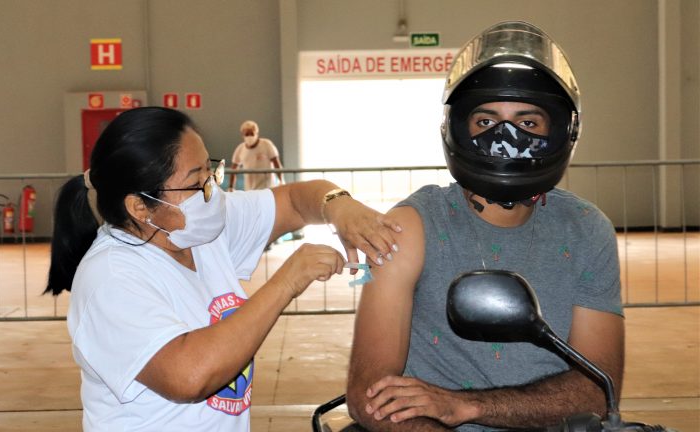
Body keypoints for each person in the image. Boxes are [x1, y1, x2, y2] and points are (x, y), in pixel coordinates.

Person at [44, 107, 401, 431]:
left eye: (210, 172)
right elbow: (188, 376)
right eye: (195, 182)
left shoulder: (200, 230)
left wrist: (338, 207)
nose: (210, 191)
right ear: (140, 206)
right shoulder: (112, 277)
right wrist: (286, 281)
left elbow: (294, 200)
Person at [346, 21, 624, 432]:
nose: (505, 136)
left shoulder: (585, 229)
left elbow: (598, 389)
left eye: (527, 123)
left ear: (562, 130)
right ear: (457, 128)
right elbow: (369, 396)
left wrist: (468, 406)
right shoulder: (411, 227)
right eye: (485, 121)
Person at [228, 120, 284, 192]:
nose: (249, 136)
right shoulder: (240, 149)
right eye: (247, 134)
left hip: (267, 188)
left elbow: (276, 163)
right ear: (243, 135)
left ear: (256, 133)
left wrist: (281, 180)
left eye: (252, 133)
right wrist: (231, 187)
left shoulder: (266, 145)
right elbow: (233, 169)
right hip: (249, 189)